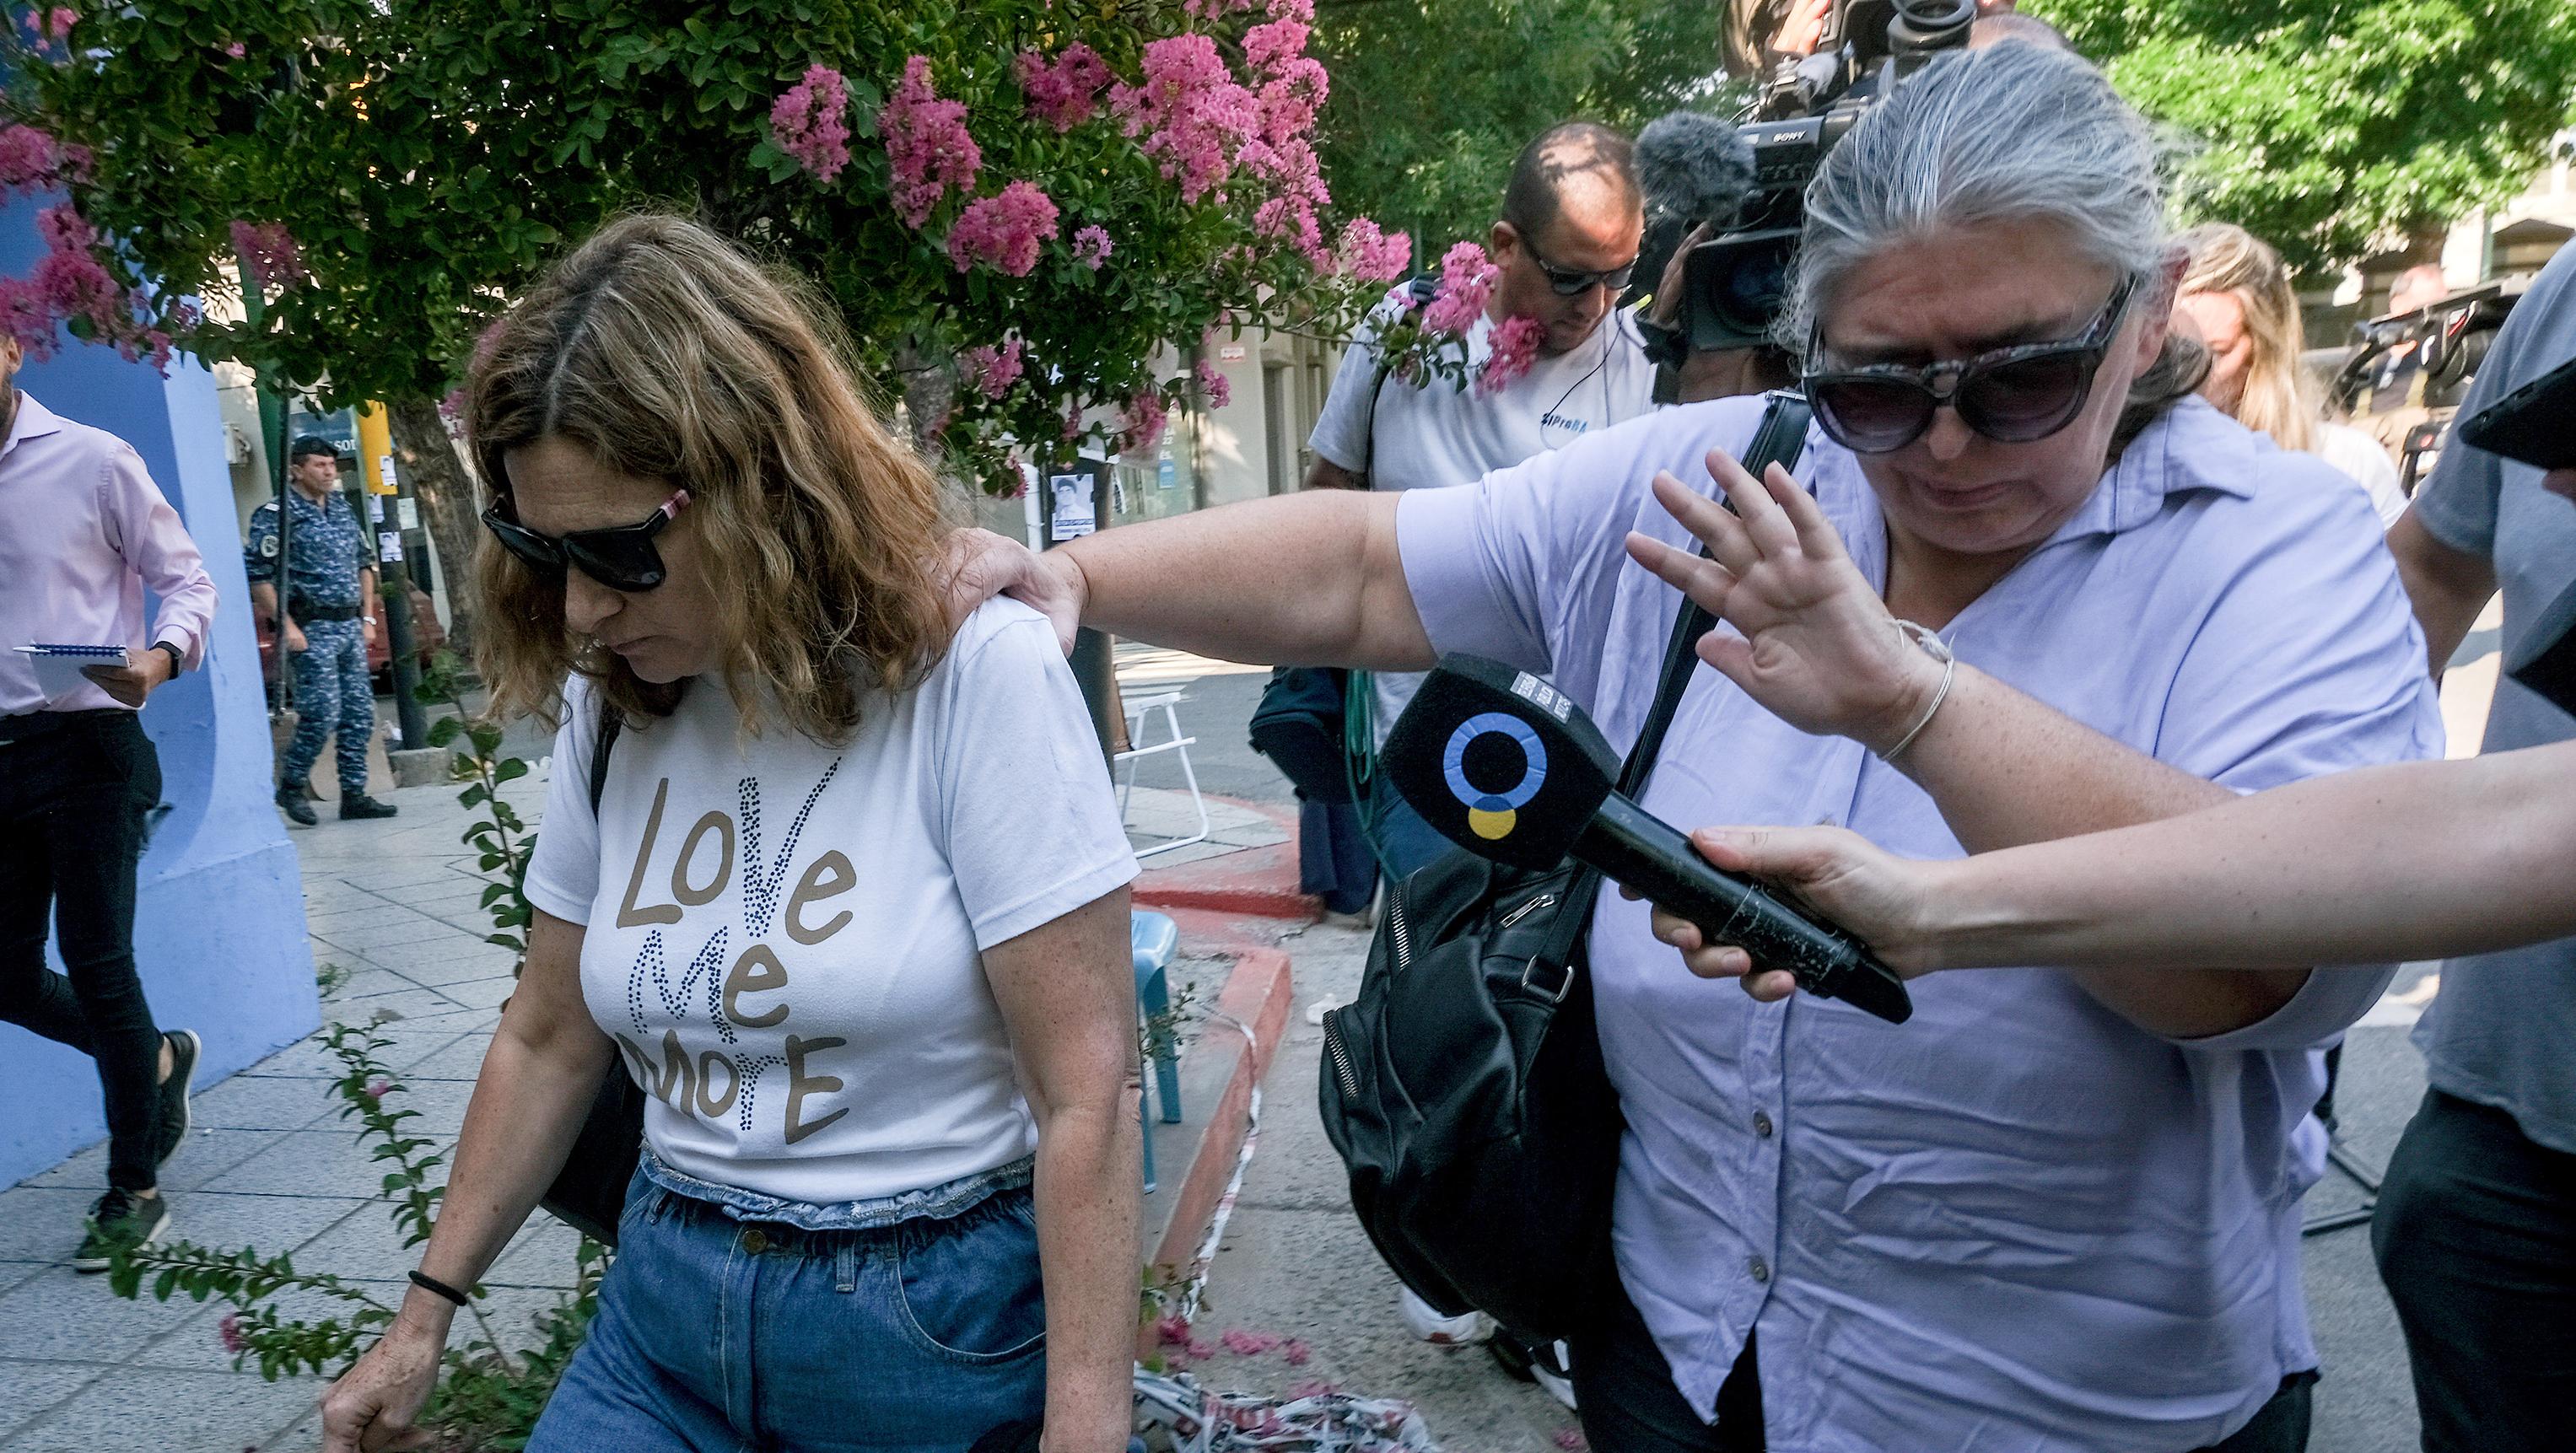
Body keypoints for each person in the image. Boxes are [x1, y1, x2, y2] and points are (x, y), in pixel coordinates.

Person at [955, 42, 2440, 1452]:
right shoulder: (1731, 477)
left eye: (2017, 382)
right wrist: (1079, 578)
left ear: (2148, 308)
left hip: (2059, 1398)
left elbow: (2265, 975)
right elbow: (1362, 564)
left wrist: (1908, 707)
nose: (1938, 447)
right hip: (1686, 1347)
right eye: (1872, 384)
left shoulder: (2270, 549)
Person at [317, 217, 1142, 1453]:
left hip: (925, 1329)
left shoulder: (977, 675)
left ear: (758, 486)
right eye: (551, 550)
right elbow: (547, 1036)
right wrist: (424, 1314)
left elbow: (1086, 1092)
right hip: (663, 1312)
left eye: (617, 551)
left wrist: (1087, 1426)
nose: (584, 605)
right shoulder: (618, 703)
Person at [1303, 117, 1656, 1389]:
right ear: (1501, 244)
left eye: (1622, 271)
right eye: (1571, 274)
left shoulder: (1631, 358)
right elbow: (1326, 489)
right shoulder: (1399, 328)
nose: (1597, 300)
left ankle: (1527, 1260)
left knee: (1557, 996)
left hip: (1571, 742)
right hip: (1429, 737)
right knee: (1450, 984)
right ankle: (1453, 1226)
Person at [0, 337, 212, 1272]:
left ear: (9, 348)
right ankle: (154, 1057)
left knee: (96, 961)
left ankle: (135, 1186)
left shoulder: (90, 458)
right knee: (3, 974)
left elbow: (189, 581)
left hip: (89, 742)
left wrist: (159, 658)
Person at [2175, 223, 2406, 525]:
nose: (2183, 379)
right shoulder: (2118, 480)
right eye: (2167, 355)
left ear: (2265, 350)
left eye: (2215, 354)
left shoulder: (2347, 464)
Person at [245, 436, 398, 824]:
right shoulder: (276, 514)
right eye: (320, 465)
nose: (329, 472)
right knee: (321, 713)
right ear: (297, 469)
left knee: (360, 715)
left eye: (332, 465)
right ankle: (292, 786)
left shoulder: (343, 509)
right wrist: (287, 625)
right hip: (311, 628)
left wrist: (367, 618)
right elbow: (259, 576)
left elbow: (364, 564)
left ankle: (354, 794)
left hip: (348, 624)